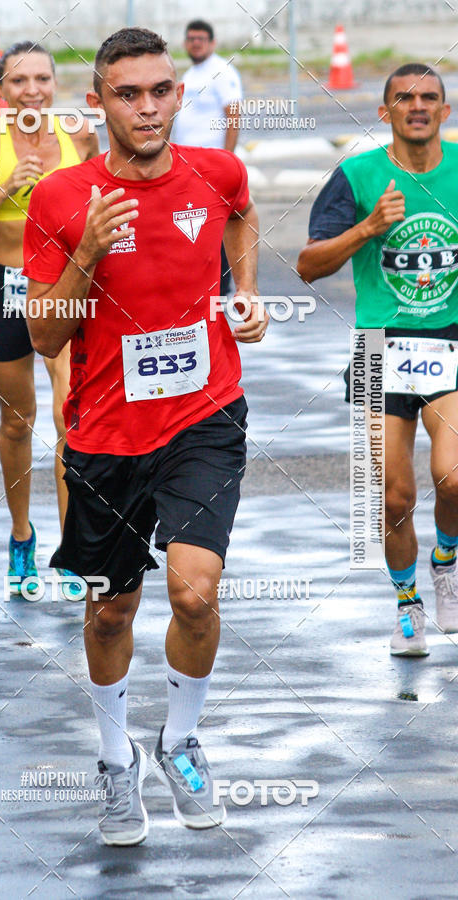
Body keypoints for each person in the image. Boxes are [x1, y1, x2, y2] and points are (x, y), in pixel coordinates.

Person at [23, 27, 267, 845]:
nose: (150, 107)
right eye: (129, 94)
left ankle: (182, 740)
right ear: (98, 103)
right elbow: (47, 337)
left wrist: (246, 293)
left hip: (206, 415)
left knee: (195, 592)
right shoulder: (61, 198)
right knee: (109, 613)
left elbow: (241, 215)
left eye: (162, 90)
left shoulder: (218, 170)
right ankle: (114, 760)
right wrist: (88, 248)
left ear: (178, 93)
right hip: (105, 434)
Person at [297, 63, 458, 657]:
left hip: (451, 338)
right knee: (391, 497)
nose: (417, 105)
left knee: (455, 475)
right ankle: (407, 604)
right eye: (404, 97)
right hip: (378, 348)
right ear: (384, 111)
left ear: (445, 110)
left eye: (429, 97)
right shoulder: (357, 175)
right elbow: (309, 265)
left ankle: (446, 558)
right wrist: (368, 226)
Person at [0, 41, 98, 592]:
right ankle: (20, 535)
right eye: (18, 81)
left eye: (41, 79)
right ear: (1, 90)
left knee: (67, 418)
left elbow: (104, 196)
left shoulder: (79, 133)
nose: (32, 90)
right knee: (18, 420)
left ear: (54, 84)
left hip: (65, 288)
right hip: (6, 289)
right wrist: (4, 189)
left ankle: (73, 547)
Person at [171, 19, 242, 296]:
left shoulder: (222, 72)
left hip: (213, 168)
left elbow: (233, 117)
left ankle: (221, 289)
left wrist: (227, 161)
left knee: (218, 227)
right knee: (194, 226)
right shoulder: (190, 74)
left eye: (201, 38)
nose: (195, 43)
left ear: (212, 43)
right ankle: (200, 285)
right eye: (191, 38)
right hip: (188, 169)